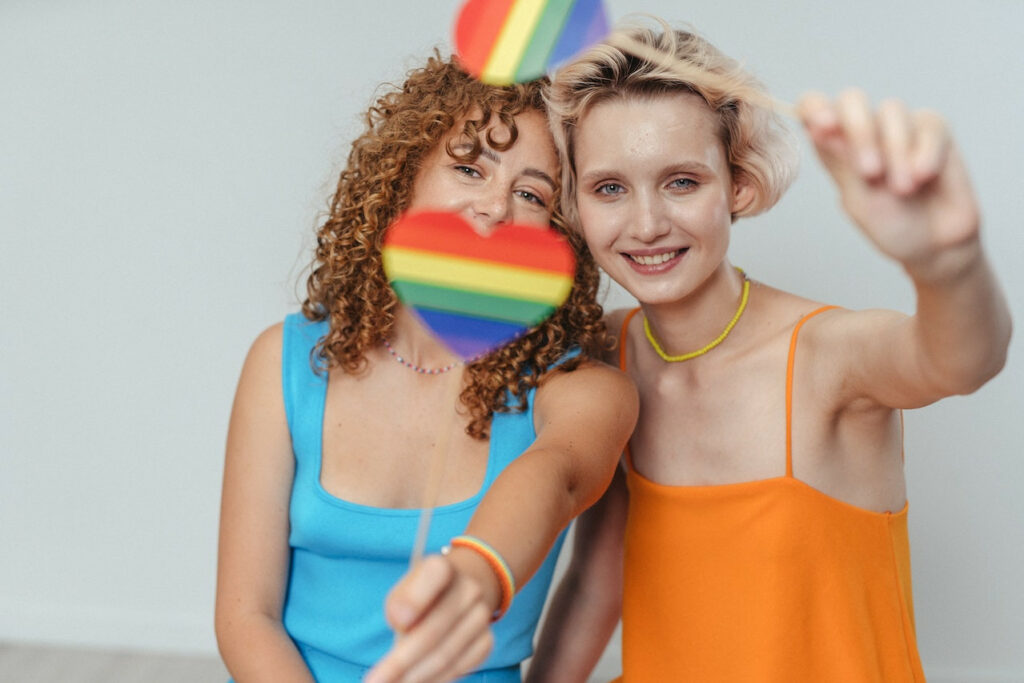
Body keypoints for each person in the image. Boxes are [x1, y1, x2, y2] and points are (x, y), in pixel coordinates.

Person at [528, 22, 1012, 682]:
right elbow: (595, 578)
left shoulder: (825, 356)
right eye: (610, 187)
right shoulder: (609, 354)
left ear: (740, 184)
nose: (646, 224)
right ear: (576, 204)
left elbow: (961, 359)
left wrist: (948, 264)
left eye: (681, 182)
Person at [214, 52, 637, 683]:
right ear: (401, 179)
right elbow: (246, 616)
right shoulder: (283, 361)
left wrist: (476, 572)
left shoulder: (584, 388)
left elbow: (561, 475)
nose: (495, 207)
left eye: (530, 193)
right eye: (470, 168)